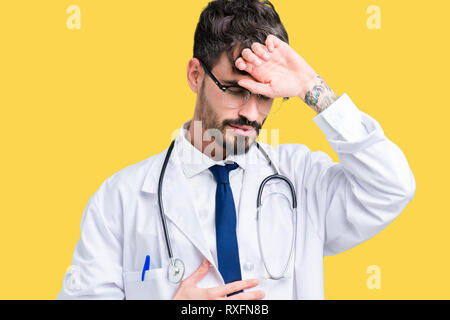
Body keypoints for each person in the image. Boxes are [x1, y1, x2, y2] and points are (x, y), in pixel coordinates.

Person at [56, 0, 416, 300]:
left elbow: (391, 186)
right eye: (235, 89)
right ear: (196, 75)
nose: (251, 112)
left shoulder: (302, 179)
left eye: (266, 96)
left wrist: (312, 87)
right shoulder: (119, 199)